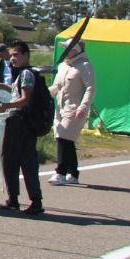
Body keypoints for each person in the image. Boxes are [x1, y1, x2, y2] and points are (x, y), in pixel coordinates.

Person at [0, 41, 48, 214]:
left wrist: (6, 106)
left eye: (16, 55)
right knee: (28, 160)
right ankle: (35, 201)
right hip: (28, 123)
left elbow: (24, 99)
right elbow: (15, 90)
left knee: (10, 159)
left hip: (19, 121)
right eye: (11, 55)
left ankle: (13, 200)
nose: (12, 58)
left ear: (26, 55)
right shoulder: (28, 74)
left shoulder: (25, 74)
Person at [49, 40, 96, 186]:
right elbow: (56, 86)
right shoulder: (63, 66)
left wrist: (83, 107)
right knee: (65, 139)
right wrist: (42, 94)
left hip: (75, 108)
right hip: (61, 108)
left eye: (69, 48)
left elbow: (91, 88)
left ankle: (60, 172)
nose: (66, 50)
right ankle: (73, 173)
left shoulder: (84, 65)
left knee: (63, 137)